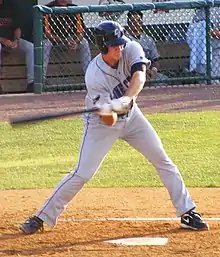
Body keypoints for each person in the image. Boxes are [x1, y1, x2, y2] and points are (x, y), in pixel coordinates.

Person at [19, 21, 209, 235]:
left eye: (120, 43)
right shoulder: (94, 75)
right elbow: (109, 121)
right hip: (101, 124)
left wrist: (127, 99)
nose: (119, 48)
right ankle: (42, 217)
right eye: (114, 45)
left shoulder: (131, 48)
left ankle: (187, 211)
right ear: (102, 46)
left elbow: (140, 75)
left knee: (162, 159)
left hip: (133, 118)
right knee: (82, 173)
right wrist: (110, 110)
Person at [43, 0, 92, 78]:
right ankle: (42, 79)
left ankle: (89, 77)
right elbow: (47, 34)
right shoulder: (47, 9)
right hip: (53, 40)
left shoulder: (74, 9)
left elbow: (81, 32)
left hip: (70, 39)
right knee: (45, 44)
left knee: (84, 42)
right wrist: (65, 41)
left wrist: (75, 42)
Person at [0, 0, 35, 93]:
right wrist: (3, 40)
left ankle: (32, 82)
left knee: (30, 47)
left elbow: (17, 27)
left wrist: (16, 40)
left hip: (11, 40)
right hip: (2, 41)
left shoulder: (9, 7)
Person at [126, 10, 168, 83]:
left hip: (148, 70)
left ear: (142, 22)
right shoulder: (125, 39)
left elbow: (155, 60)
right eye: (133, 21)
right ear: (128, 23)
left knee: (165, 80)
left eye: (138, 21)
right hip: (131, 72)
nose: (136, 23)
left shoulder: (148, 39)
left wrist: (153, 71)